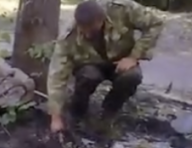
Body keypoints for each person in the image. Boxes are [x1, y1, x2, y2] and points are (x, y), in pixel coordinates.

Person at [47, 0, 164, 134]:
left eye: (91, 29)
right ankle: (78, 114)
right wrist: (55, 117)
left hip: (120, 62)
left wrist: (133, 57)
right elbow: (56, 77)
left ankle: (108, 113)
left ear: (101, 20)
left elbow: (156, 23)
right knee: (88, 77)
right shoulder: (67, 38)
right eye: (83, 29)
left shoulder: (122, 10)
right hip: (90, 65)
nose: (86, 34)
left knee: (132, 76)